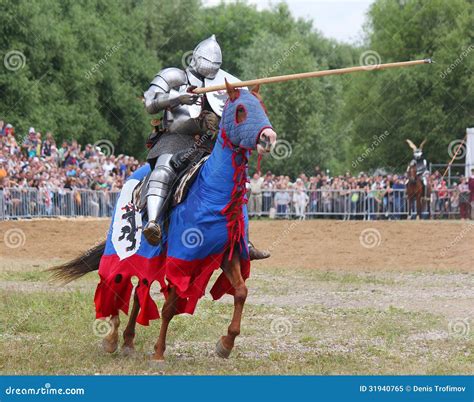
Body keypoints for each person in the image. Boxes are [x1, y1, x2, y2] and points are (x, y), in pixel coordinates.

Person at [141, 35, 269, 259]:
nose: (210, 69)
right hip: (176, 138)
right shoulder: (173, 75)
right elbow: (150, 102)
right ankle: (153, 223)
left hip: (210, 145)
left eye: (215, 66)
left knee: (240, 185)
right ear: (195, 58)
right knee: (163, 171)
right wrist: (177, 97)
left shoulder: (226, 83)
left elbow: (239, 112)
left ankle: (243, 241)